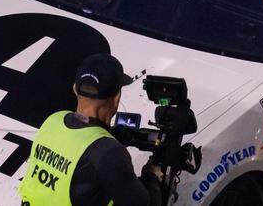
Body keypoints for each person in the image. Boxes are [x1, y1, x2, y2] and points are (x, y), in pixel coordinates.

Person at [18, 53, 162, 206]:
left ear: (75, 89)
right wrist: (152, 176)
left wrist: (110, 136)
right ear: (116, 98)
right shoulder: (110, 153)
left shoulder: (53, 120)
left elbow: (77, 146)